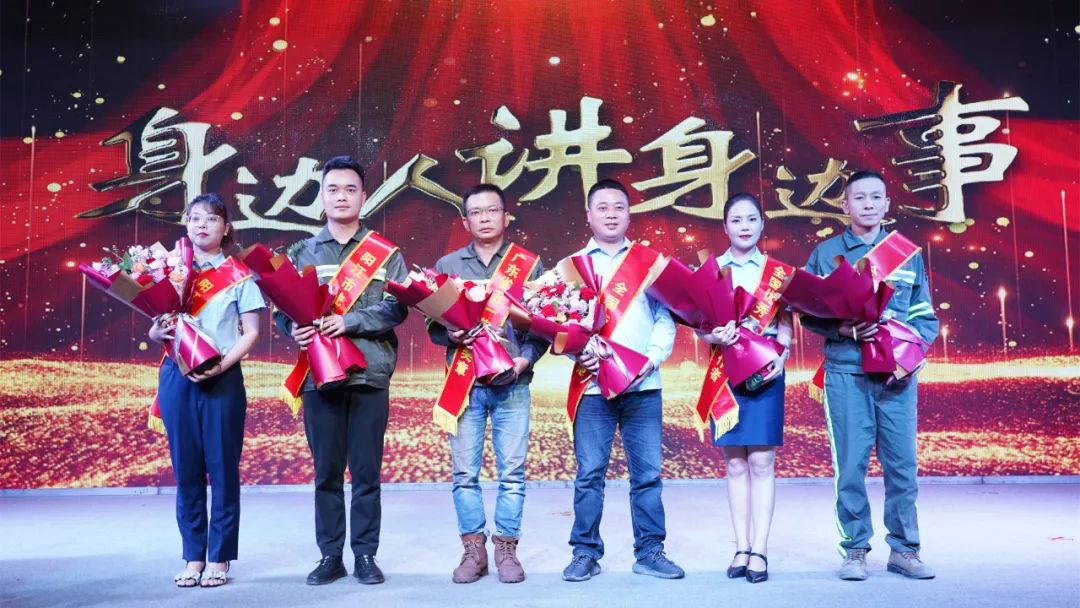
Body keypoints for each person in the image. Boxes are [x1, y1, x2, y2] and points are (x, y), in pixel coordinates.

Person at [274, 155, 409, 585]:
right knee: (326, 474)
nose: (341, 197)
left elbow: (397, 307)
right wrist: (292, 328)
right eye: (333, 189)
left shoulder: (386, 253)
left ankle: (365, 554)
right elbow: (282, 309)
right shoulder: (302, 252)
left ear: (364, 196)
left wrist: (349, 322)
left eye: (350, 189)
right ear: (322, 197)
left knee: (366, 473)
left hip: (370, 373)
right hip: (320, 377)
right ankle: (330, 555)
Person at [801, 171, 939, 581]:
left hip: (897, 378)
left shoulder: (906, 253)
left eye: (876, 197)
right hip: (847, 372)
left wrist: (912, 356)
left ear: (887, 204)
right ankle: (855, 550)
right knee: (850, 466)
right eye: (859, 198)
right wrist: (844, 330)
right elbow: (807, 312)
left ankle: (905, 550)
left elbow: (923, 314)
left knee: (902, 467)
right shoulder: (826, 254)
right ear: (845, 206)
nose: (868, 204)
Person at [561, 178, 683, 582]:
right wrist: (579, 352)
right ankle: (584, 553)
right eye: (603, 207)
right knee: (589, 475)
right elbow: (560, 323)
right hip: (593, 387)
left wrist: (652, 359)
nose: (611, 214)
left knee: (647, 475)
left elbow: (666, 317)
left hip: (643, 386)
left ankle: (650, 551)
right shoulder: (571, 266)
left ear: (629, 214)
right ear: (589, 215)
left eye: (619, 207)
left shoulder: (650, 262)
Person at [426, 184, 547, 584]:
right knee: (464, 474)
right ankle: (473, 550)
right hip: (466, 384)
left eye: (492, 210)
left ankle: (507, 549)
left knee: (512, 473)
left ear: (505, 216)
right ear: (465, 221)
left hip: (513, 383)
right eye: (476, 212)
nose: (484, 218)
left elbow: (544, 324)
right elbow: (433, 324)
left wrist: (525, 358)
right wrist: (451, 334)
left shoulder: (528, 265)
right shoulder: (448, 264)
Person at [149, 193, 265, 588]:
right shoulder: (169, 271)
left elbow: (251, 332)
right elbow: (158, 325)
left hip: (223, 378)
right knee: (186, 470)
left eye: (211, 219)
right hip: (177, 376)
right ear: (186, 223)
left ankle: (220, 557)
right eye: (195, 218)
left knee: (222, 469)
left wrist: (222, 364)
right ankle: (193, 555)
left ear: (225, 228)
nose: (202, 225)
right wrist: (155, 332)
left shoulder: (239, 275)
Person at [699, 193, 792, 584]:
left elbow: (785, 324)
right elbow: (701, 327)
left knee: (762, 462)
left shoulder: (777, 273)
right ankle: (740, 547)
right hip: (725, 372)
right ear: (725, 226)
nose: (744, 226)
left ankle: (761, 549)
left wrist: (782, 356)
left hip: (766, 372)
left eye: (751, 219)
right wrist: (713, 335)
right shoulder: (712, 271)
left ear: (762, 224)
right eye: (736, 220)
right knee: (735, 464)